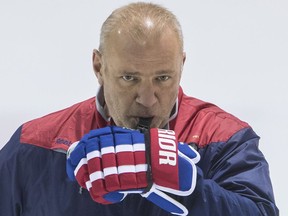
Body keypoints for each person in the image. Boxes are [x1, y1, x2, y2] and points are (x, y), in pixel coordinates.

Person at [0, 2, 279, 216]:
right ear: (99, 67)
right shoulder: (34, 145)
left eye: (163, 78)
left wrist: (193, 191)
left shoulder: (223, 138)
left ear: (181, 66)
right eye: (129, 78)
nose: (147, 99)